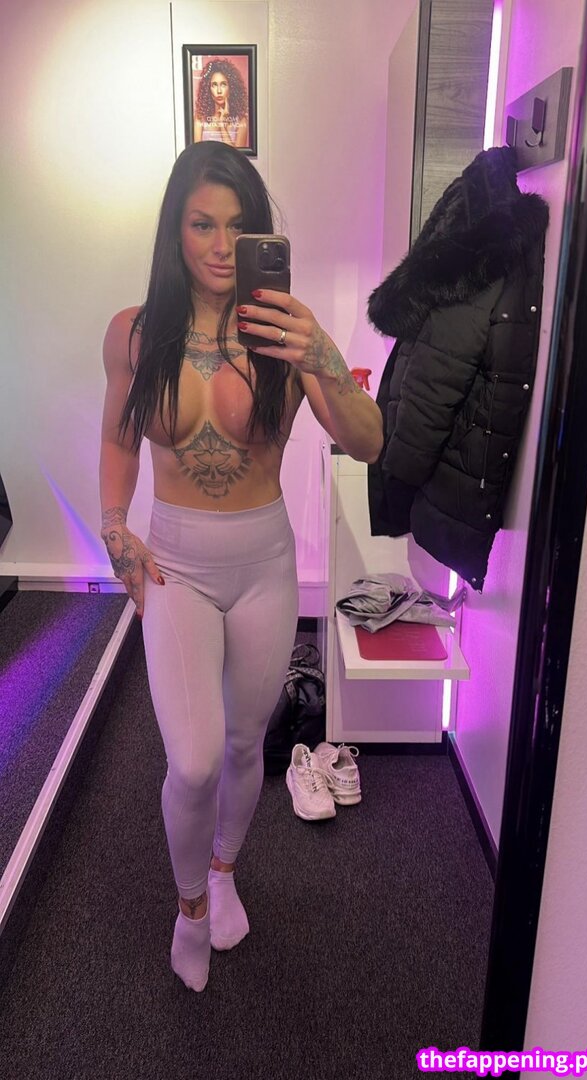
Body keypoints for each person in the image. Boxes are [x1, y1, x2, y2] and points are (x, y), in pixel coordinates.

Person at [99, 140, 383, 993]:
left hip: (263, 565)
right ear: (175, 231)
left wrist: (319, 350)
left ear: (259, 233)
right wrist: (114, 525)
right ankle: (188, 907)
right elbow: (120, 440)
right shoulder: (134, 333)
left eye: (237, 226)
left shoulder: (284, 334)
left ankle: (223, 871)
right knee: (190, 761)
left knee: (241, 741)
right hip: (175, 569)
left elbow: (369, 441)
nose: (221, 246)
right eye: (201, 225)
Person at [193, 58, 249, 148]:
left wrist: (222, 126)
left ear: (231, 87)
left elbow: (236, 155)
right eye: (214, 85)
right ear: (208, 89)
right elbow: (196, 153)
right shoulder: (200, 117)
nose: (219, 91)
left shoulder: (241, 120)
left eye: (223, 84)